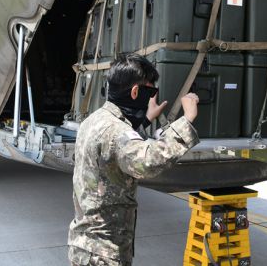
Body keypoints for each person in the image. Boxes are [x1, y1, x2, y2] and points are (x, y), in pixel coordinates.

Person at [68, 53, 200, 266]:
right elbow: (147, 162)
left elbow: (117, 150)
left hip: (85, 245)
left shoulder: (94, 120)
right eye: (150, 92)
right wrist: (187, 120)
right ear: (135, 92)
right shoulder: (115, 131)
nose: (151, 97)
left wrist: (146, 119)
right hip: (104, 254)